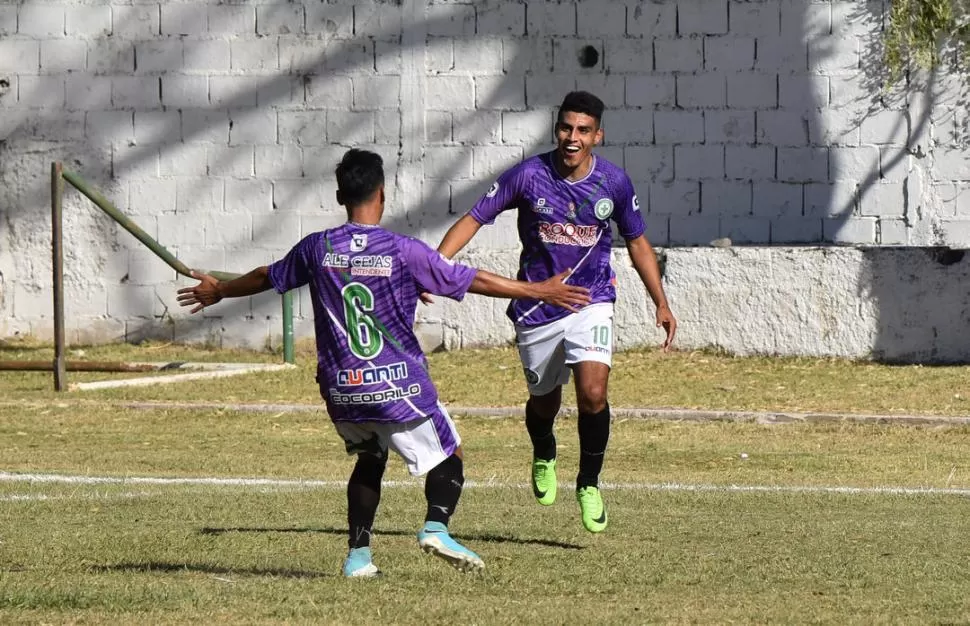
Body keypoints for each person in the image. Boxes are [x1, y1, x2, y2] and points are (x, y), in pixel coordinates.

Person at [176, 148, 590, 577]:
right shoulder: (402, 250)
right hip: (396, 384)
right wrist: (539, 290)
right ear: (382, 194)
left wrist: (220, 291)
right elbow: (473, 279)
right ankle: (435, 527)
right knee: (450, 453)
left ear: (340, 196)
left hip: (342, 387)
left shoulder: (317, 247)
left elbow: (267, 275)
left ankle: (358, 557)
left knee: (371, 457)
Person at [433, 91, 677, 533]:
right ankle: (544, 450)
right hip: (537, 306)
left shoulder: (615, 183)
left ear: (597, 136)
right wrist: (436, 264)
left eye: (583, 130)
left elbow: (637, 240)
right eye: (566, 128)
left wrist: (660, 300)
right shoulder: (528, 175)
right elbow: (475, 217)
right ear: (556, 130)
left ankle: (588, 482)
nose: (573, 137)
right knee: (544, 402)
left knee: (594, 392)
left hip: (592, 300)